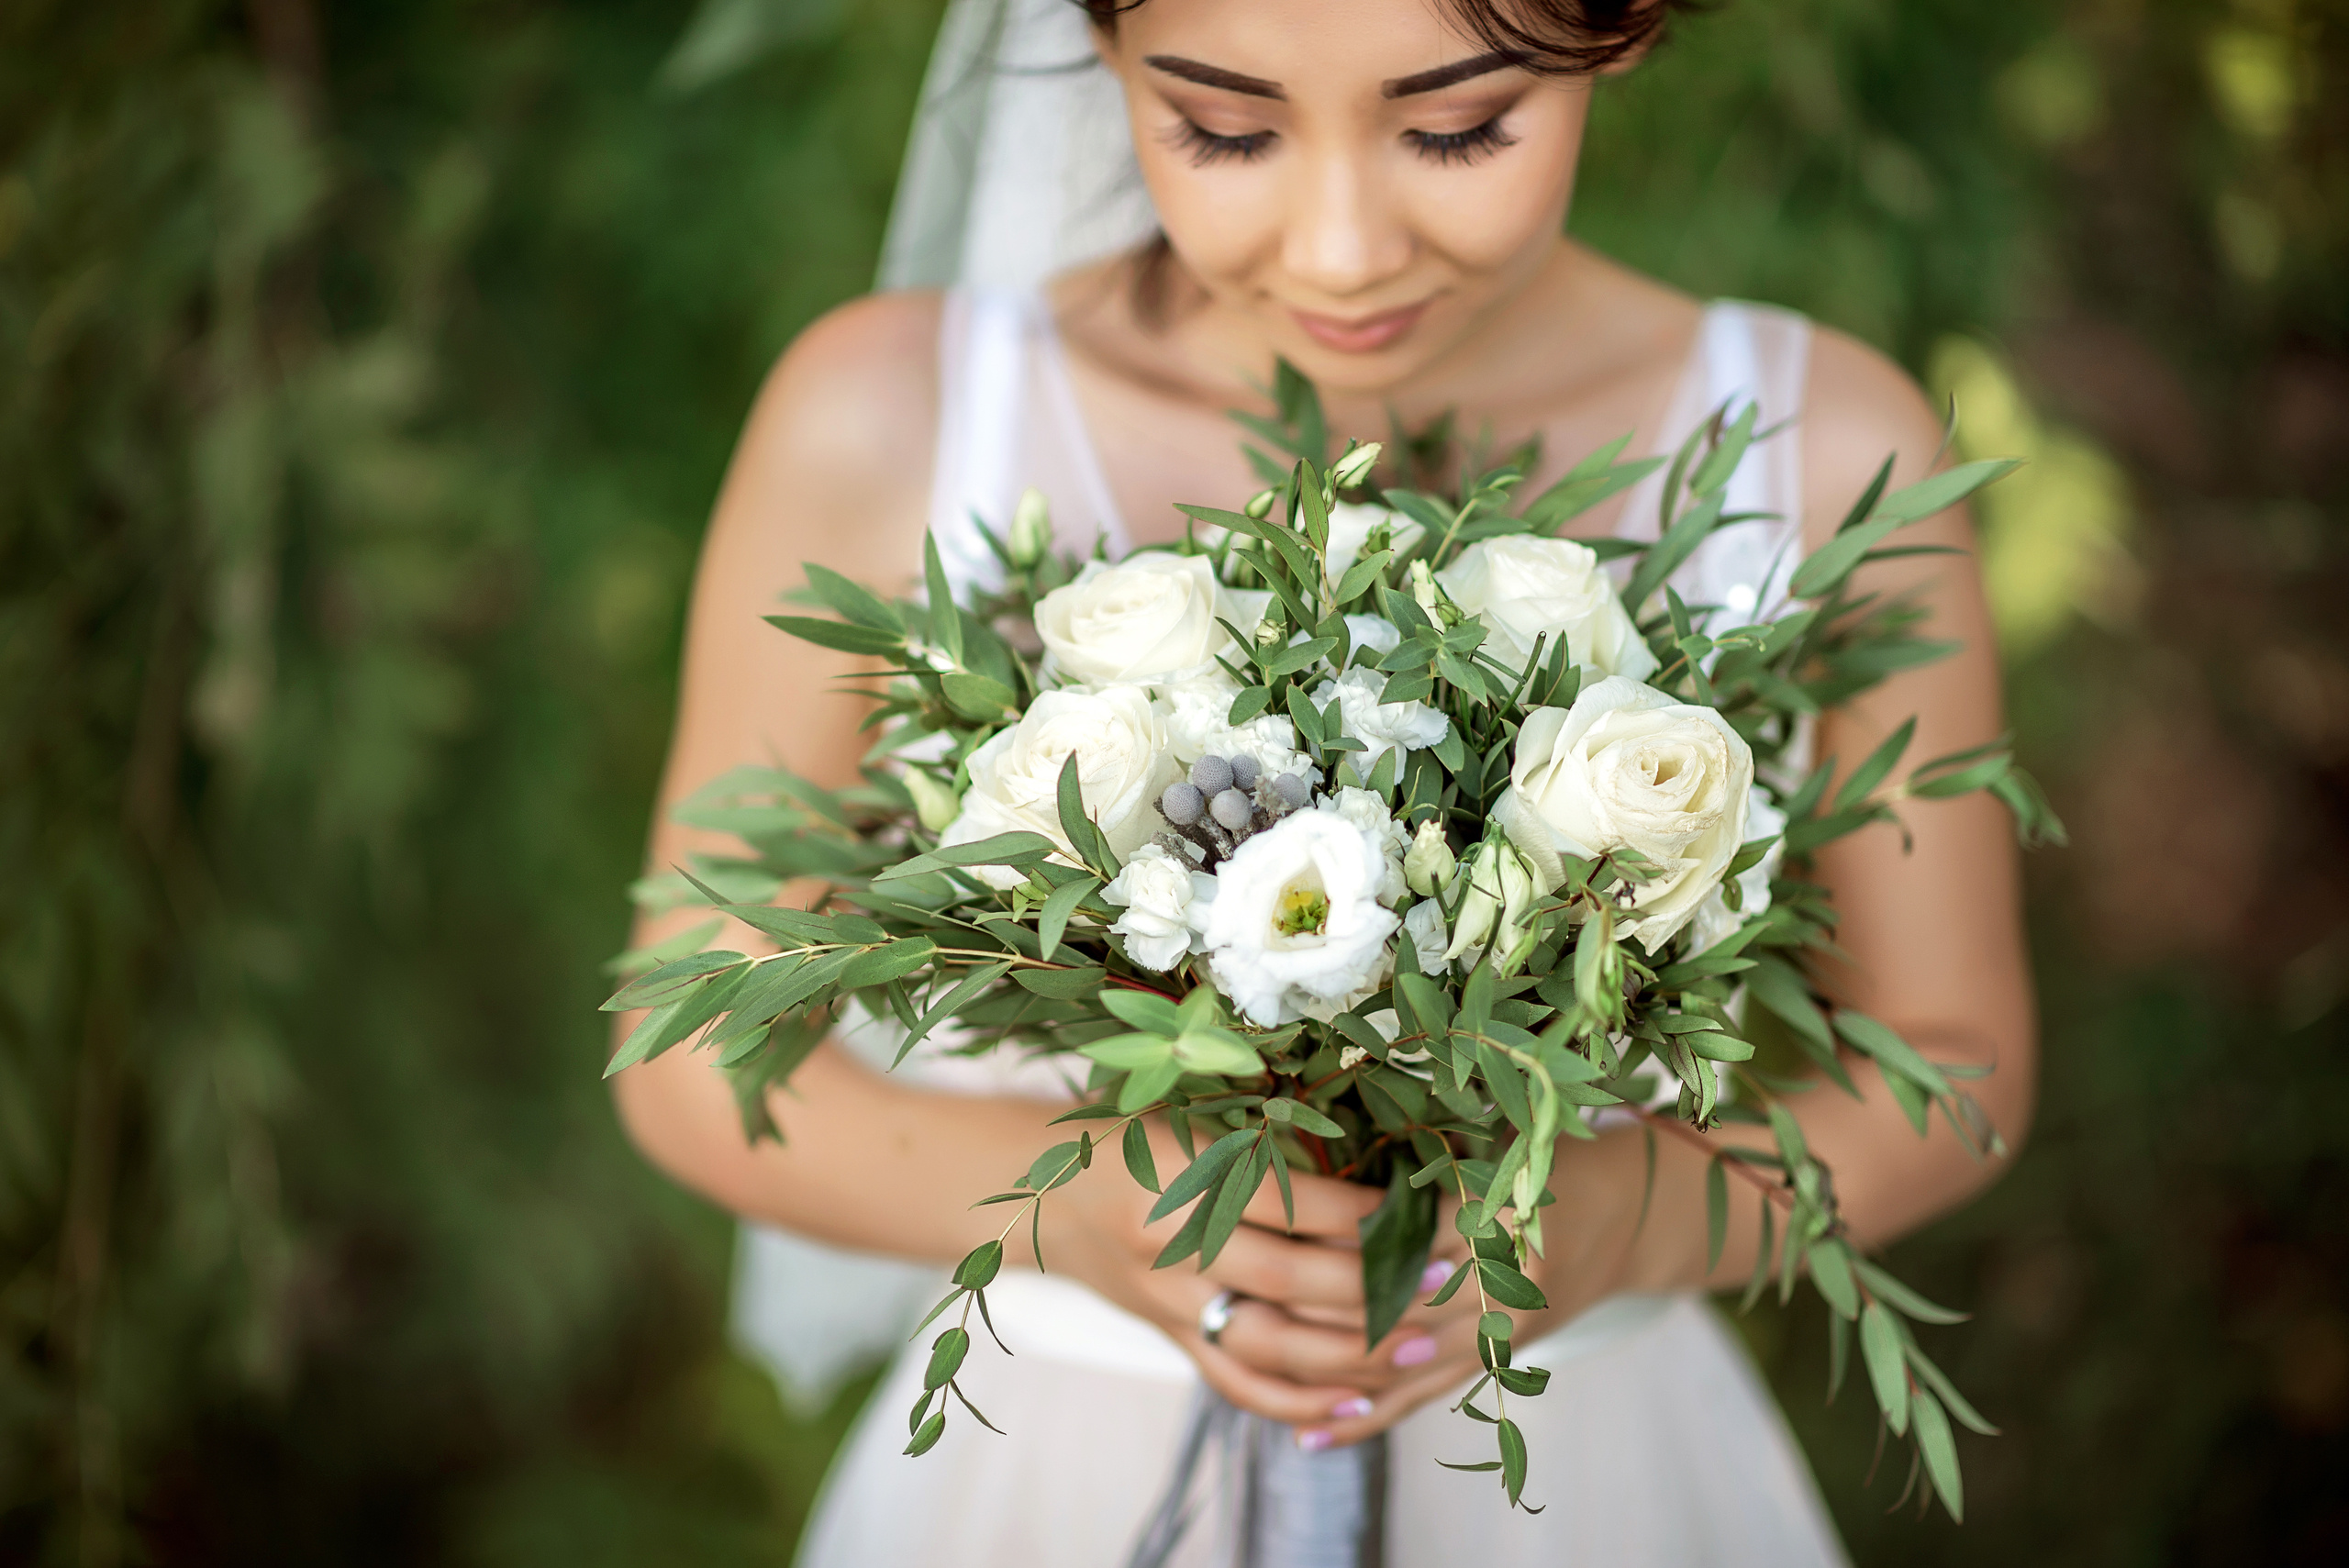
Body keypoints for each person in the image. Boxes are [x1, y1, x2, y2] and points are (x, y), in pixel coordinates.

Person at [610, 0, 2036, 1562]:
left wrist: (1628, 1214)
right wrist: (1078, 1206)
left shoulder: (1820, 450)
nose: (1344, 250)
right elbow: (691, 1042)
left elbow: (1954, 1063)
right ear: (1104, 51)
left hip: (1579, 1472)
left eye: (1457, 128)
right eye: (1223, 130)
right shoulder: (894, 415)